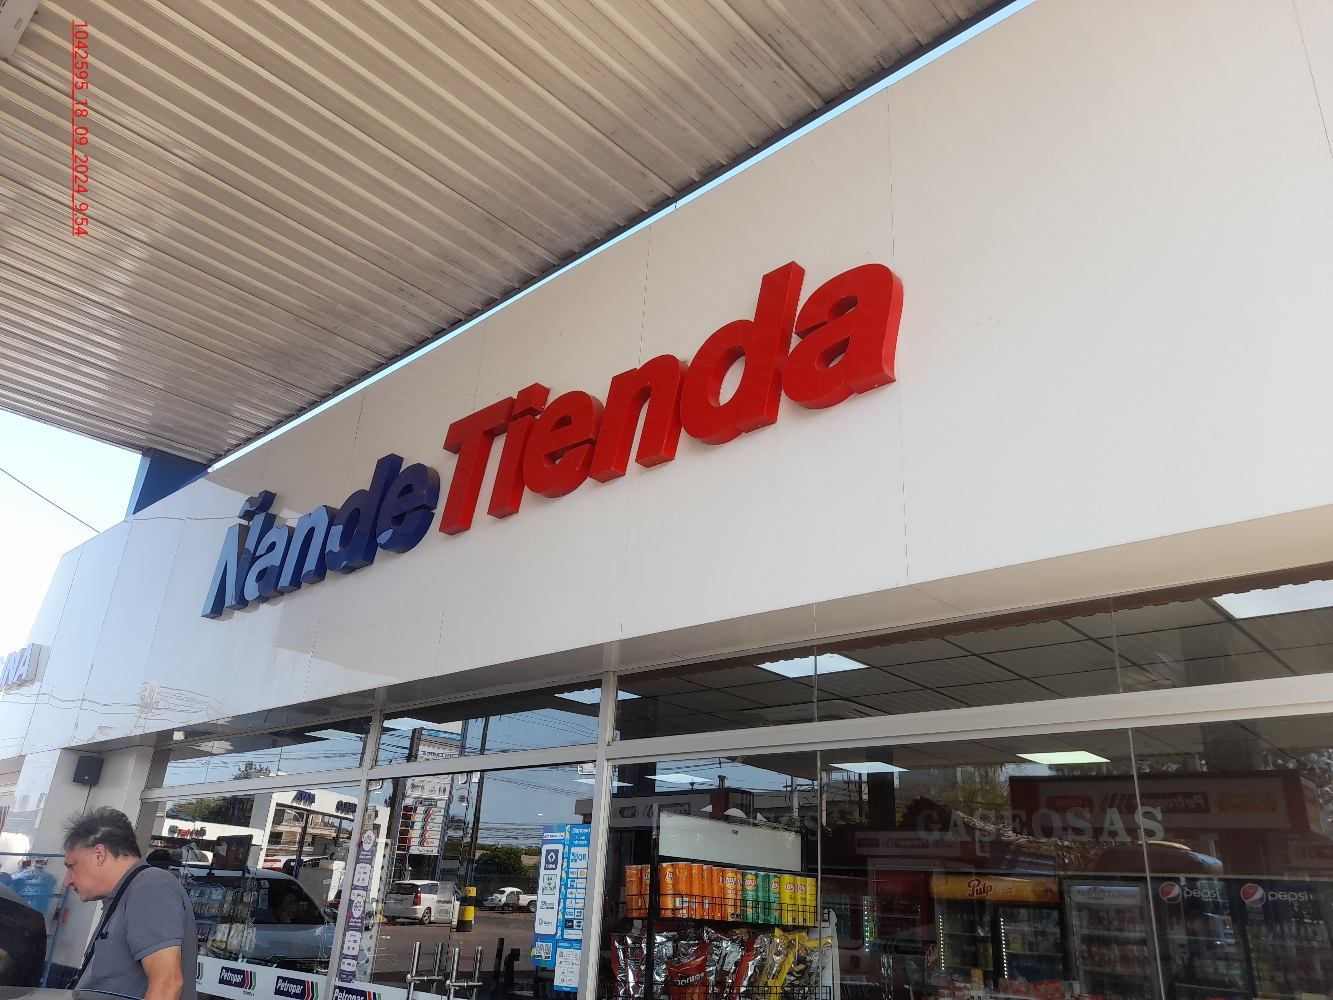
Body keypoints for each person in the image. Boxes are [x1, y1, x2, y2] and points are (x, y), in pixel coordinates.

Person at [63, 807, 198, 1000]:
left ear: (99, 854)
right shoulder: (125, 894)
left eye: (72, 867)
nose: (67, 881)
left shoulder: (149, 886)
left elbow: (167, 984)